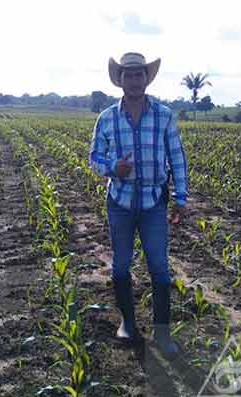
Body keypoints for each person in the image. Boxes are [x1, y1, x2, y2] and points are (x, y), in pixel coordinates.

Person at [88, 52, 189, 358]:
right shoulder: (106, 118)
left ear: (147, 78)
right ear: (120, 80)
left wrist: (181, 199)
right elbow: (94, 157)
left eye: (139, 74)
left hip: (153, 202)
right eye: (128, 75)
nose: (134, 80)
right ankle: (128, 325)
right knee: (120, 265)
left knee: (159, 267)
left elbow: (177, 157)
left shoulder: (163, 115)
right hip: (119, 201)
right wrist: (111, 168)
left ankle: (162, 333)